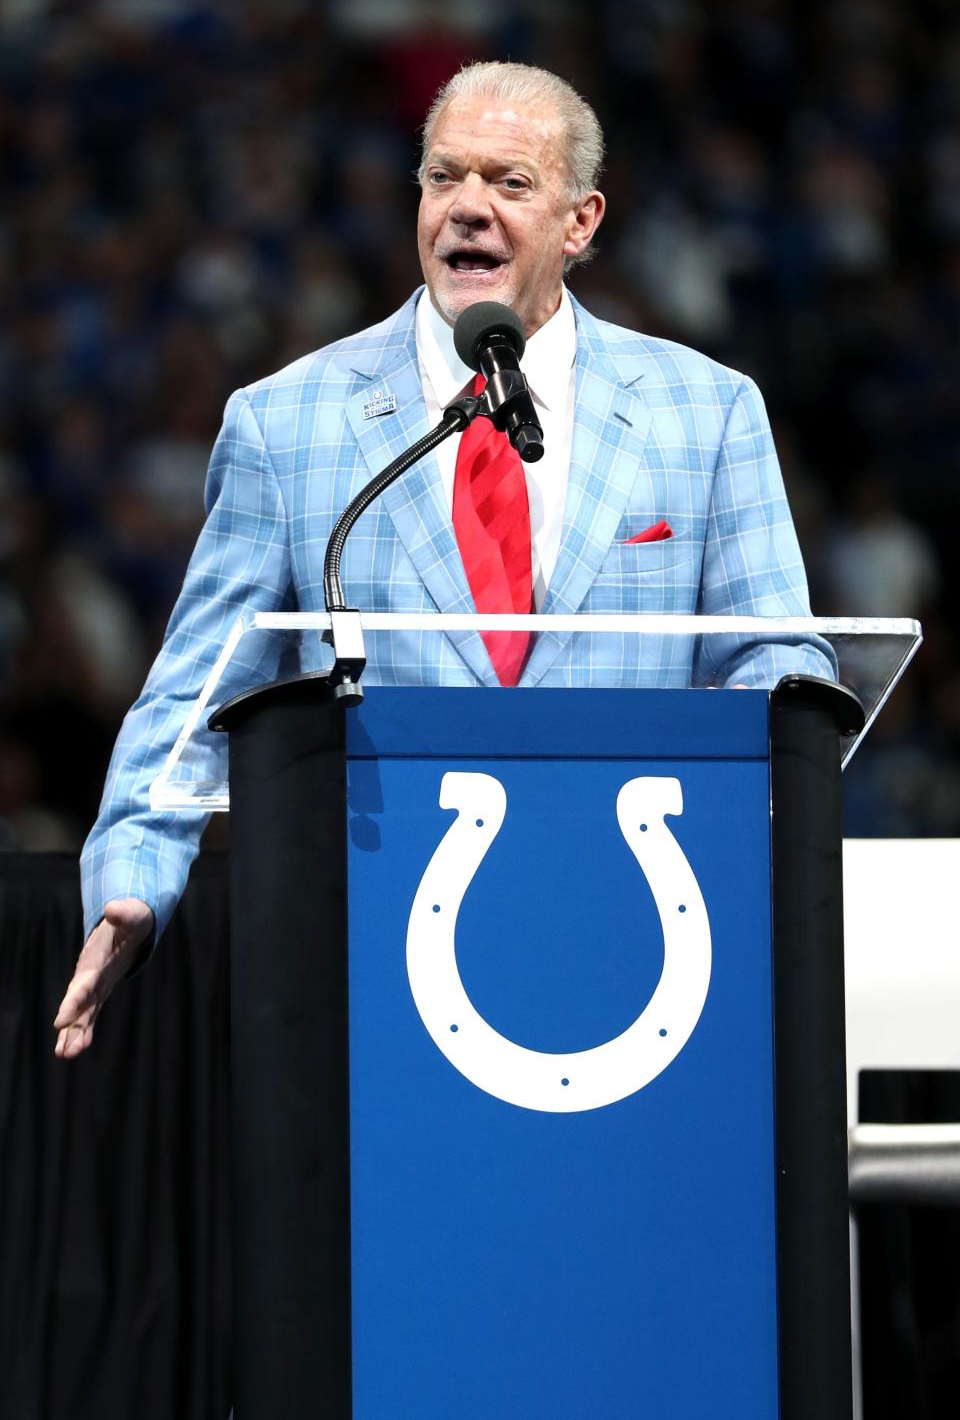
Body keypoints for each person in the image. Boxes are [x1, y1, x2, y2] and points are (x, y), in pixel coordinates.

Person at [53, 61, 830, 1059]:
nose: (468, 207)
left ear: (580, 221)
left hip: (645, 941)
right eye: (443, 177)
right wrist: (133, 876)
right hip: (374, 961)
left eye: (509, 183)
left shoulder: (707, 414)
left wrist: (778, 841)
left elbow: (781, 672)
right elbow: (197, 691)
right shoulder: (288, 425)